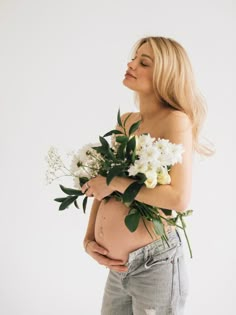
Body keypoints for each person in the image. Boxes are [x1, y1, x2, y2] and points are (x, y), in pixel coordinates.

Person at [81, 36, 213, 315]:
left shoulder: (176, 120)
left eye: (144, 62)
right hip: (118, 269)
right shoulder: (127, 121)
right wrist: (89, 239)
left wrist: (116, 183)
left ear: (165, 74)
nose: (131, 64)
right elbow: (104, 187)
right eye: (134, 58)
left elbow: (178, 198)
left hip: (155, 266)